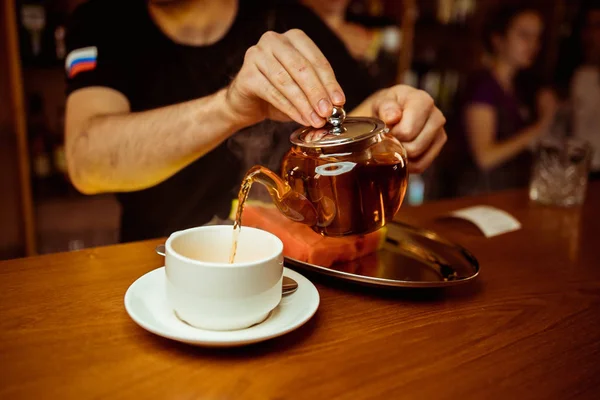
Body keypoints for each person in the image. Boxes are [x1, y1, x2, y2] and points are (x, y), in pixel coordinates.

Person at [65, 0, 447, 242]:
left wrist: (389, 113)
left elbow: (350, 117)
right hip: (152, 259)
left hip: (290, 266)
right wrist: (230, 108)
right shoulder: (99, 20)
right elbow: (86, 161)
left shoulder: (286, 16)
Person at [456, 5, 558, 195]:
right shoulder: (483, 86)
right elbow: (484, 157)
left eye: (537, 37)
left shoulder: (519, 87)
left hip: (506, 195)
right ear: (498, 39)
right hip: (477, 197)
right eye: (524, 35)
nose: (533, 45)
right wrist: (542, 124)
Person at [571, 2, 600, 180]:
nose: (591, 34)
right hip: (581, 170)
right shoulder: (582, 75)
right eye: (588, 27)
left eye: (598, 26)